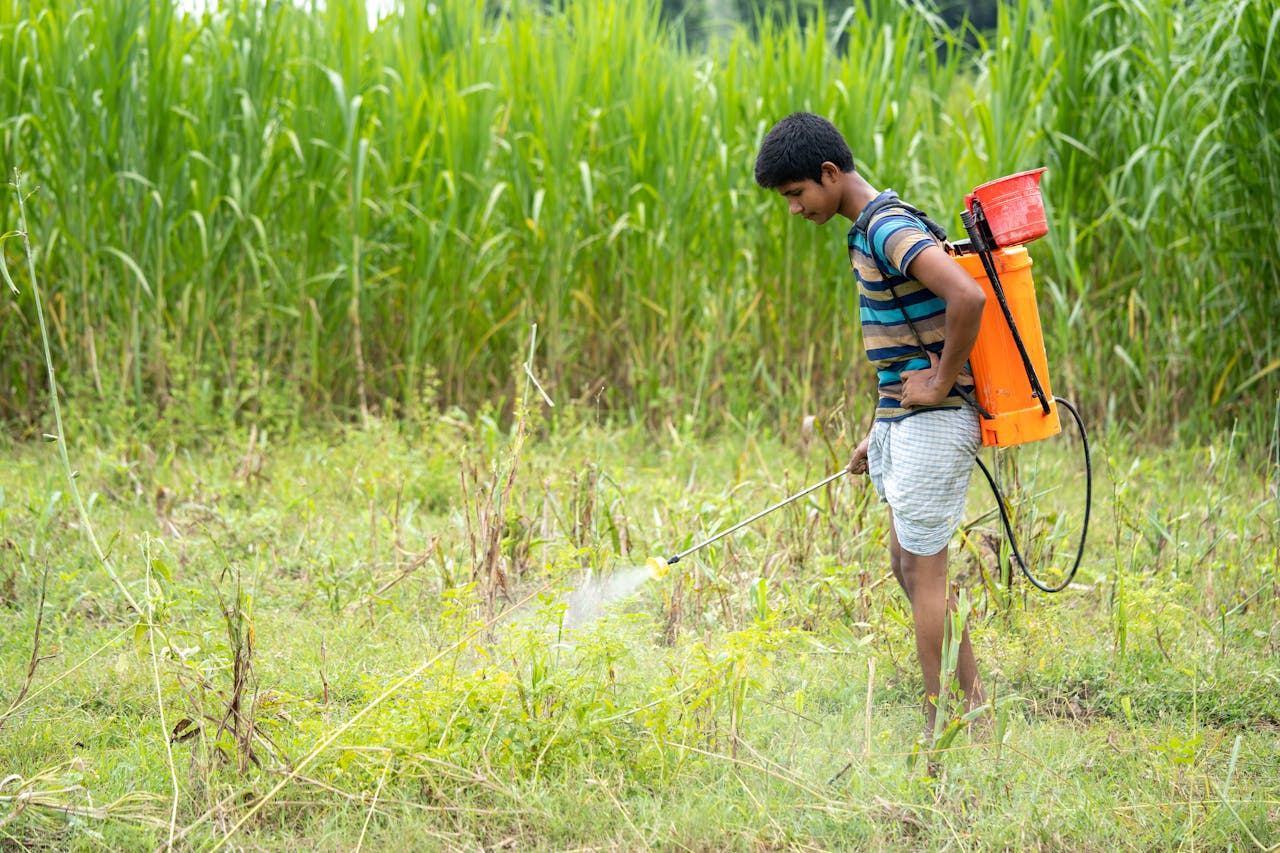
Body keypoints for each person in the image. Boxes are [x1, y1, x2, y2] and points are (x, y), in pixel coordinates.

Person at [754, 111, 988, 737]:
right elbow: (905, 343)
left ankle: (945, 729)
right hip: (909, 421)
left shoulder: (886, 227)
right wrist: (879, 429)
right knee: (905, 564)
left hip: (938, 419)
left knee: (925, 569)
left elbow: (968, 297)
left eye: (797, 194)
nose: (796, 209)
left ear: (829, 174)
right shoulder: (869, 228)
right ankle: (973, 706)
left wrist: (940, 384)